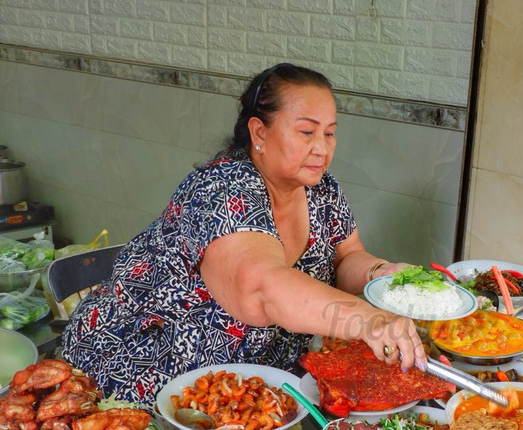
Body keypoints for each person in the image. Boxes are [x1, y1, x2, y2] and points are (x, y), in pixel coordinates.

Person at [62, 63, 427, 403]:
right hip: (146, 377)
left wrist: (379, 274)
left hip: (249, 384)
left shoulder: (321, 188)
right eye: (306, 132)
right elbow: (261, 289)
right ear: (259, 132)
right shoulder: (222, 189)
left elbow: (345, 256)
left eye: (330, 134)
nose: (322, 148)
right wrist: (366, 319)